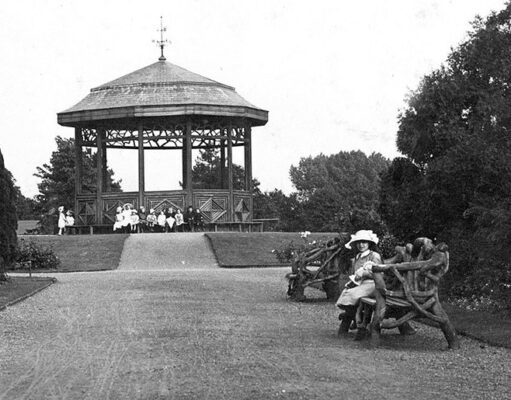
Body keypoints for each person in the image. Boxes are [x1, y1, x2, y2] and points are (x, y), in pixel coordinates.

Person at [336, 230, 381, 336]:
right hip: (360, 284)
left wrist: (365, 273)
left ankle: (356, 320)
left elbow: (379, 274)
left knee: (352, 294)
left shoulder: (374, 256)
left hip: (373, 284)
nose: (361, 245)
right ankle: (353, 317)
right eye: (359, 242)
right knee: (346, 292)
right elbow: (353, 273)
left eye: (364, 242)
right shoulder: (357, 257)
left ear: (369, 243)